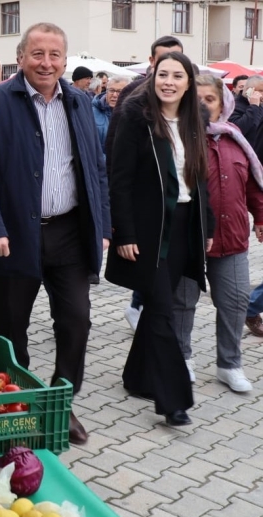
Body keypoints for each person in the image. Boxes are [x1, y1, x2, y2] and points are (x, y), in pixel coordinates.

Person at [0, 22, 110, 445]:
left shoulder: (81, 102)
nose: (46, 63)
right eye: (38, 54)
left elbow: (96, 169)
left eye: (54, 55)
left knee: (76, 321)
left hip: (68, 233)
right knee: (12, 326)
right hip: (13, 235)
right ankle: (18, 401)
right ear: (21, 56)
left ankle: (61, 402)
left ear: (66, 60)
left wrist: (102, 225)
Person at [106, 51, 214, 426]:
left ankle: (135, 378)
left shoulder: (196, 119)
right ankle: (174, 399)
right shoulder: (137, 119)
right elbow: (119, 180)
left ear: (189, 83)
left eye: (177, 76)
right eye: (162, 74)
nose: (169, 81)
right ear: (153, 78)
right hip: (149, 231)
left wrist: (208, 227)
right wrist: (124, 232)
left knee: (156, 308)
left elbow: (200, 180)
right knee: (163, 311)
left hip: (184, 227)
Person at [170, 76, 263, 391]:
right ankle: (182, 358)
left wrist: (260, 218)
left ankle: (229, 364)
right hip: (187, 239)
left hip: (232, 235)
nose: (203, 105)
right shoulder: (176, 138)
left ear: (223, 105)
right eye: (198, 98)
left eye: (210, 99)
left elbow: (251, 185)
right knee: (183, 301)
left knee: (235, 300)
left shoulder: (236, 139)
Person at [106, 35, 184, 330]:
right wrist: (122, 225)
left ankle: (141, 309)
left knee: (165, 293)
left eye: (177, 65)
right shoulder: (133, 96)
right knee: (156, 289)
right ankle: (139, 307)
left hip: (178, 212)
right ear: (152, 62)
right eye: (163, 62)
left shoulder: (188, 106)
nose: (169, 72)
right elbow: (116, 155)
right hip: (146, 205)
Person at [92, 75, 130, 151]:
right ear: (106, 91)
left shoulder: (133, 114)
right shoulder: (91, 112)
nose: (115, 95)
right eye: (111, 90)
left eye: (120, 91)